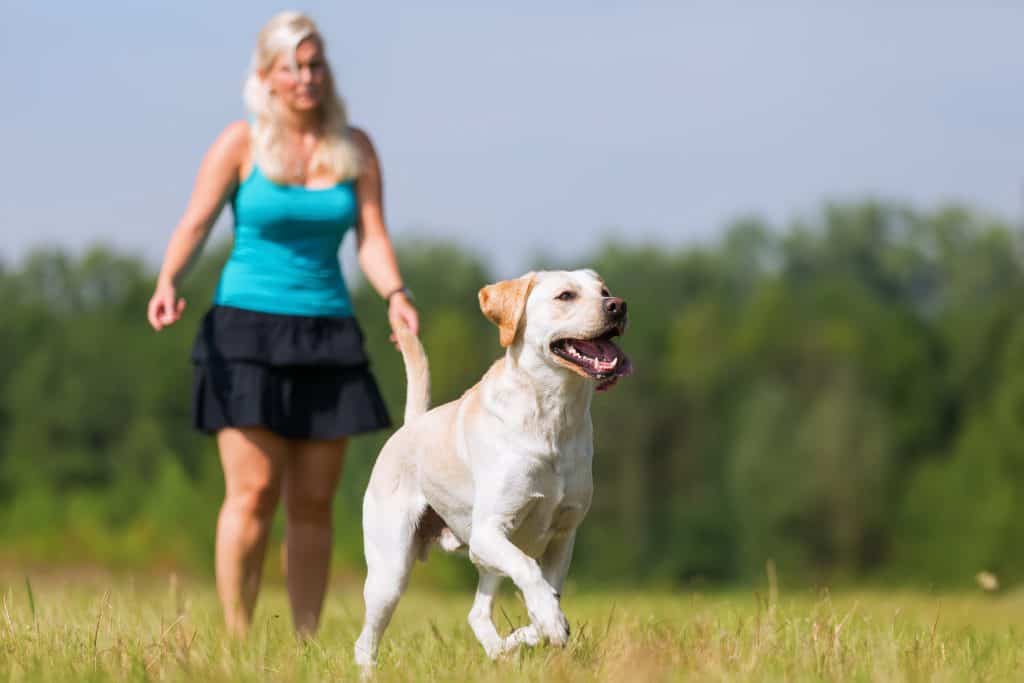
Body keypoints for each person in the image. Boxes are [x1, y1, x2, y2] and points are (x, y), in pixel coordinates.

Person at [146, 11, 418, 637]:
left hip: (327, 333)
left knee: (315, 503)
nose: (305, 77)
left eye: (314, 64)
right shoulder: (239, 144)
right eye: (291, 67)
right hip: (245, 332)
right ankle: (238, 638)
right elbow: (196, 221)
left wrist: (396, 294)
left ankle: (303, 642)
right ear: (266, 77)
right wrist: (168, 280)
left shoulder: (356, 148)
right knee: (253, 492)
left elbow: (372, 238)